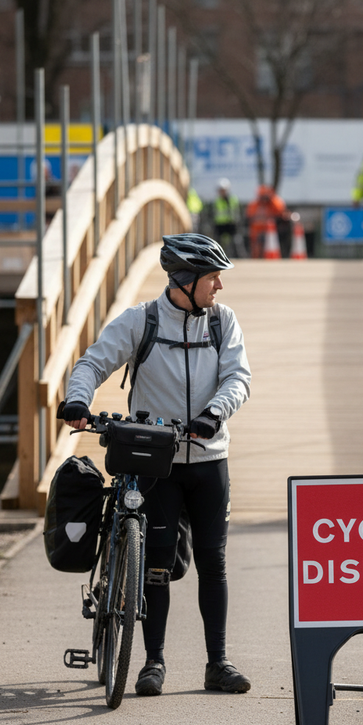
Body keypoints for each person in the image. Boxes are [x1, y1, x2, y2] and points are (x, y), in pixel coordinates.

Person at [60, 233, 252, 697]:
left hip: (209, 458)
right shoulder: (140, 321)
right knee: (157, 566)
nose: (219, 288)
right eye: (212, 278)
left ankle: (217, 664)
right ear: (185, 281)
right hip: (156, 460)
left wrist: (215, 413)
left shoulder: (223, 323)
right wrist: (78, 399)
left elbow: (239, 378)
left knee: (214, 562)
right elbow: (92, 363)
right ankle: (152, 662)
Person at [245, 185, 288, 259]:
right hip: (257, 232)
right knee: (257, 249)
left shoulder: (275, 203)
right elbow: (249, 217)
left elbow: (281, 215)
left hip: (272, 233)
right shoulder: (254, 205)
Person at [213, 178, 240, 255]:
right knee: (219, 242)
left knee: (235, 241)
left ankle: (236, 255)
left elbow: (236, 211)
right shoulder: (217, 200)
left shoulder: (233, 199)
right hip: (220, 224)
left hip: (231, 223)